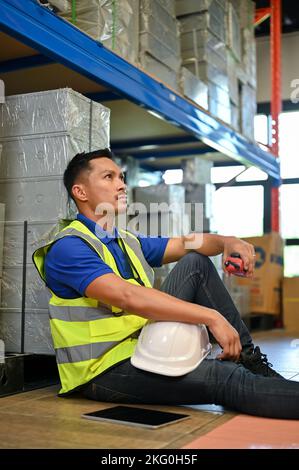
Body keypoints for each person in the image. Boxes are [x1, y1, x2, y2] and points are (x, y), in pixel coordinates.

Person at [33, 148, 299, 420]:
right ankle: (249, 377)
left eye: (121, 176)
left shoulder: (125, 240)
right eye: (109, 177)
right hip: (103, 368)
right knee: (227, 378)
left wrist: (226, 241)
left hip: (141, 344)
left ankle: (250, 359)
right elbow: (128, 297)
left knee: (196, 263)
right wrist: (212, 317)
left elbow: (186, 243)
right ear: (81, 192)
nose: (122, 184)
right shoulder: (69, 248)